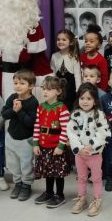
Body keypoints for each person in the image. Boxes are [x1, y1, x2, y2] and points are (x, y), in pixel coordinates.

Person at [68, 83, 111, 217]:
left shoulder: (99, 115)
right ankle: (82, 198)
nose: (85, 101)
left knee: (96, 178)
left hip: (94, 155)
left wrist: (91, 145)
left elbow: (103, 132)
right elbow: (71, 133)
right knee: (81, 178)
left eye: (88, 98)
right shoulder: (75, 115)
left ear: (95, 100)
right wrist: (80, 148)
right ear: (78, 99)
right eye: (82, 98)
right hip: (80, 155)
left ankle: (97, 200)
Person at [33, 76, 70, 208]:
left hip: (56, 147)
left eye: (49, 89)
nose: (45, 92)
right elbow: (37, 125)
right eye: (44, 89)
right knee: (48, 171)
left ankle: (60, 195)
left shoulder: (62, 108)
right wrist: (35, 143)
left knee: (58, 172)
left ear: (58, 92)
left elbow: (66, 130)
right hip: (44, 146)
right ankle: (49, 192)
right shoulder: (41, 107)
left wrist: (60, 146)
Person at [1, 69, 38, 201]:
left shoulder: (33, 102)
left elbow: (30, 123)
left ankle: (26, 185)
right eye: (15, 82)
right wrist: (13, 109)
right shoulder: (12, 97)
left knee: (26, 164)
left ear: (31, 86)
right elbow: (4, 114)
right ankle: (18, 183)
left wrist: (19, 111)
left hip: (25, 140)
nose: (17, 86)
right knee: (13, 164)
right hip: (11, 138)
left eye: (22, 83)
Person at [50, 29, 81, 111]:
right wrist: (52, 88)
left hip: (71, 90)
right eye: (58, 39)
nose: (60, 41)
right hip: (58, 89)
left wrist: (79, 92)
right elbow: (52, 74)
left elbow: (77, 76)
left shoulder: (74, 56)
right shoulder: (54, 56)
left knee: (69, 109)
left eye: (64, 39)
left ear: (71, 42)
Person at [80, 24, 108, 91]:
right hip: (83, 89)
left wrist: (102, 92)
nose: (87, 43)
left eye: (91, 41)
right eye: (86, 41)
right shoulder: (82, 57)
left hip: (96, 91)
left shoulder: (101, 60)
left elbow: (104, 78)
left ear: (99, 45)